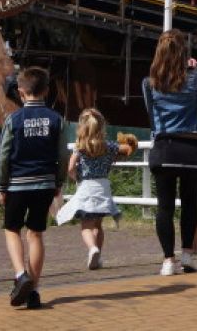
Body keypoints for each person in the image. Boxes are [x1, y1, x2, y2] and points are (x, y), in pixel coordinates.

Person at [0, 67, 67, 310]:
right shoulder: (56, 120)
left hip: (17, 183)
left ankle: (20, 275)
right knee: (36, 234)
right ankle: (34, 290)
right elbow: (62, 154)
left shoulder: (13, 120)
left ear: (20, 92)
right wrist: (58, 182)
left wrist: (2, 185)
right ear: (47, 91)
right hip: (45, 183)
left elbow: (4, 155)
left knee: (12, 229)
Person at [143, 29, 197, 276]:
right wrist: (194, 72)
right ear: (184, 52)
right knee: (190, 202)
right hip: (191, 147)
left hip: (164, 148)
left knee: (165, 207)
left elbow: (151, 116)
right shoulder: (196, 78)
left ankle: (168, 260)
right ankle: (188, 254)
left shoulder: (149, 83)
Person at [56, 108, 137, 270]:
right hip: (103, 187)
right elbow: (127, 150)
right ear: (102, 127)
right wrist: (130, 142)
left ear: (82, 128)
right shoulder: (109, 146)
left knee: (86, 226)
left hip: (86, 186)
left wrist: (74, 176)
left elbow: (71, 167)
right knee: (98, 225)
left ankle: (92, 248)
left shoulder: (80, 147)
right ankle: (98, 254)